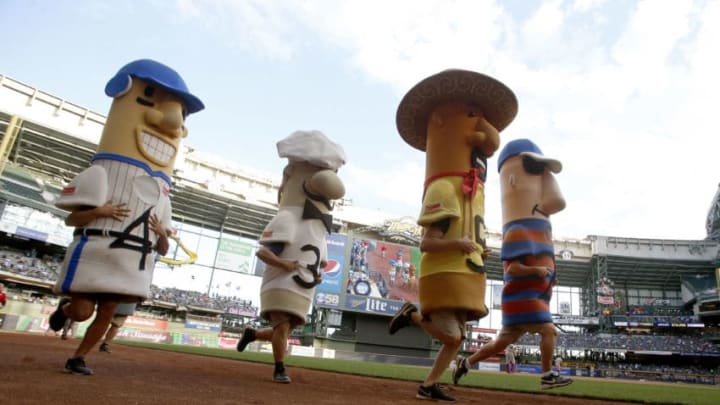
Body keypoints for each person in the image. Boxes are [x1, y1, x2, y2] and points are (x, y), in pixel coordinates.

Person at [47, 59, 202, 375]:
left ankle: (78, 358)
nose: (173, 121)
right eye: (149, 94)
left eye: (181, 114)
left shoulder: (163, 195)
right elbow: (71, 221)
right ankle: (65, 310)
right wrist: (99, 212)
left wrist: (161, 233)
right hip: (96, 250)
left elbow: (163, 251)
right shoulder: (101, 173)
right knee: (80, 311)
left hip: (132, 261)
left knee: (106, 313)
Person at [389, 69, 518, 403]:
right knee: (451, 338)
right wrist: (458, 244)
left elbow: (467, 233)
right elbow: (426, 243)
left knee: (456, 338)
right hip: (443, 272)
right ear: (444, 123)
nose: (484, 129)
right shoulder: (444, 187)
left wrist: (476, 250)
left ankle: (429, 385)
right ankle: (414, 315)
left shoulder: (473, 193)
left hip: (466, 273)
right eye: (473, 116)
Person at [453, 138, 573, 390]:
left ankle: (466, 363)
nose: (547, 182)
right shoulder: (518, 230)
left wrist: (549, 276)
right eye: (535, 169)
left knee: (499, 344)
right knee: (549, 331)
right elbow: (513, 269)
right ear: (513, 180)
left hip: (528, 297)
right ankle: (548, 374)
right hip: (523, 297)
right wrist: (538, 271)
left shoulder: (539, 230)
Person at [236, 130, 346, 384]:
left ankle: (252, 334)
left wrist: (317, 275)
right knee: (283, 327)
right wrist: (284, 263)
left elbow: (320, 260)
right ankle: (279, 368)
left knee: (285, 328)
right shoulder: (287, 217)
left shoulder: (318, 227)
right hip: (280, 281)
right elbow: (263, 252)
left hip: (303, 285)